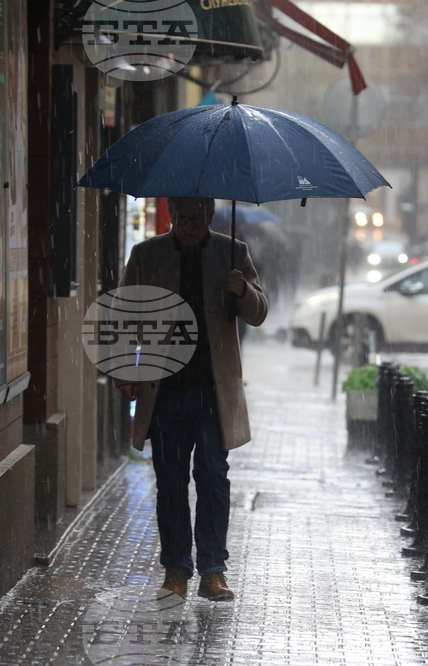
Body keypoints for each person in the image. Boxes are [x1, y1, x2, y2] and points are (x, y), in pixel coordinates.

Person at [116, 197, 268, 600]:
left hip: (213, 393)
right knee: (170, 482)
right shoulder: (146, 255)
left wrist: (242, 292)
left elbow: (259, 312)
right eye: (181, 218)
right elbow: (123, 316)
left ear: (210, 217)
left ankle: (213, 570)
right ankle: (176, 570)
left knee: (213, 477)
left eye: (196, 219)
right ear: (170, 215)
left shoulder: (233, 252)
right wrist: (123, 372)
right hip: (164, 390)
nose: (188, 226)